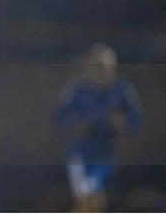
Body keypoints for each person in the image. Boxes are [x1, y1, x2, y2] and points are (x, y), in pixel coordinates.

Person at [55, 44, 142, 212]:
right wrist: (76, 125)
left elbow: (135, 121)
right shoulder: (76, 91)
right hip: (80, 156)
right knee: (89, 203)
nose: (101, 71)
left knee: (96, 204)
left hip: (105, 158)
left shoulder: (122, 91)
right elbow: (60, 119)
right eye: (97, 66)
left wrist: (121, 123)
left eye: (106, 67)